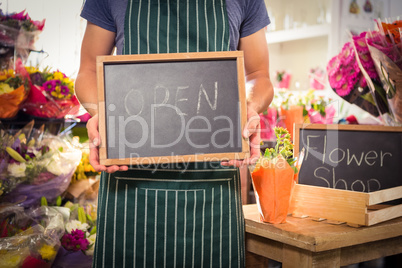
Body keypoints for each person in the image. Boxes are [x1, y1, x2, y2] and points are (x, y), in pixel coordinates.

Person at [75, 0, 274, 267]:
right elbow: (88, 69)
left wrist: (249, 107)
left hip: (212, 191)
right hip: (129, 187)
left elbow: (259, 74)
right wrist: (101, 112)